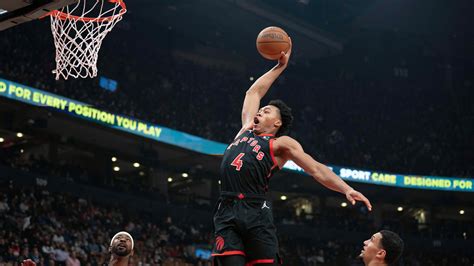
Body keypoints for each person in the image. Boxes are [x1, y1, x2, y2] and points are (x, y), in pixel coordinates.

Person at [212, 39, 373, 266]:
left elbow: (315, 169)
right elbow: (253, 92)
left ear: (277, 123)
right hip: (227, 211)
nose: (259, 111)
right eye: (261, 109)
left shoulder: (281, 144)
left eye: (266, 110)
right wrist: (279, 67)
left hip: (256, 212)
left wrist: (347, 188)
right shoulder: (245, 129)